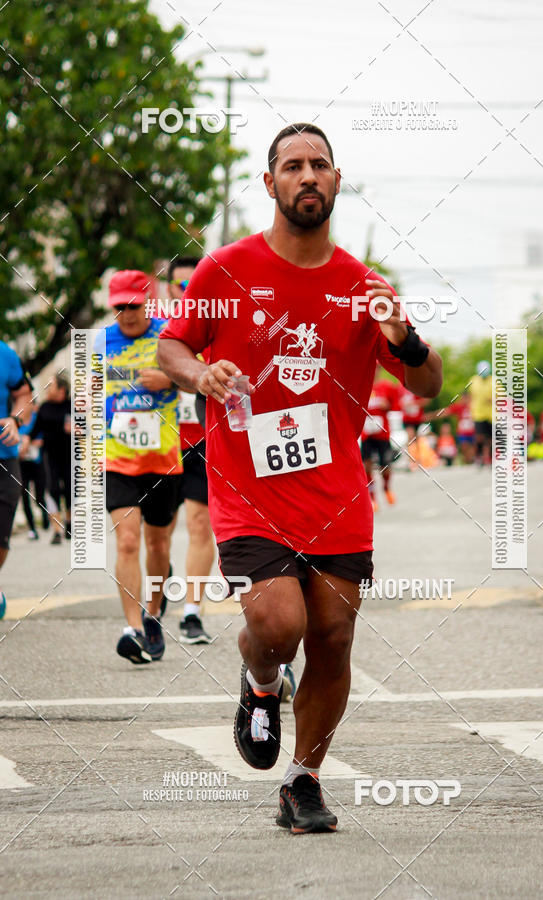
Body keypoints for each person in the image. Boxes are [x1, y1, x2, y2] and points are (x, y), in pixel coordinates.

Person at [157, 123, 442, 833]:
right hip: (249, 490)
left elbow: (429, 384)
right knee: (277, 624)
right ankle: (260, 684)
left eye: (320, 165)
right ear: (271, 184)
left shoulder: (363, 287)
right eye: (292, 165)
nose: (307, 175)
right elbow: (170, 345)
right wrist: (202, 372)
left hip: (337, 496)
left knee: (335, 636)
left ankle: (304, 781)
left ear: (337, 182)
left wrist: (405, 337)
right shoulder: (223, 270)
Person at [103, 269, 182, 664]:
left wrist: (169, 378)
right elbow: (83, 396)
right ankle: (132, 628)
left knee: (157, 543)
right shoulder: (100, 342)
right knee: (128, 539)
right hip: (116, 458)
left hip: (162, 458)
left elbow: (197, 377)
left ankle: (152, 615)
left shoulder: (169, 335)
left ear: (146, 302)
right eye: (119, 307)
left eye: (133, 305)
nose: (127, 314)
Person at [167, 257, 213, 644]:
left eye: (191, 286)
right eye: (179, 287)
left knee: (200, 526)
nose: (186, 293)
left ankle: (191, 612)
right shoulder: (149, 332)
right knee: (155, 536)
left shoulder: (213, 324)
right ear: (168, 289)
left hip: (200, 442)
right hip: (155, 447)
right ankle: (154, 588)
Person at [31, 374, 72, 544]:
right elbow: (35, 430)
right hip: (50, 455)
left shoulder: (72, 406)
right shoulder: (44, 407)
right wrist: (29, 440)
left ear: (62, 389)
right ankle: (57, 530)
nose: (48, 388)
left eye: (51, 386)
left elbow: (86, 430)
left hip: (70, 456)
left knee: (70, 491)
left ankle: (69, 523)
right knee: (52, 490)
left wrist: (78, 430)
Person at [0, 339, 30, 574]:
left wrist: (15, 419)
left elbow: (24, 395)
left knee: (1, 536)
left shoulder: (6, 354)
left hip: (4, 456)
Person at [360, 367, 398, 510]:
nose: (374, 370)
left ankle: (387, 488)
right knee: (367, 465)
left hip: (382, 433)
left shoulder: (387, 387)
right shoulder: (361, 385)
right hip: (366, 433)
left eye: (377, 368)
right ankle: (372, 497)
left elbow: (396, 407)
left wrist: (386, 406)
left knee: (385, 466)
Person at [18, 383, 50, 539]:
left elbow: (43, 439)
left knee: (39, 496)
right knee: (23, 495)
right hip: (21, 463)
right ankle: (32, 529)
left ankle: (45, 517)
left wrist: (29, 442)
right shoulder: (16, 419)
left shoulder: (38, 418)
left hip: (37, 462)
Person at [469, 360, 493, 465]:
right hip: (478, 414)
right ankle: (478, 456)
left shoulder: (494, 381)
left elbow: (501, 396)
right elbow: (471, 396)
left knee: (490, 438)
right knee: (479, 437)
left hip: (492, 415)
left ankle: (490, 458)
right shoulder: (473, 381)